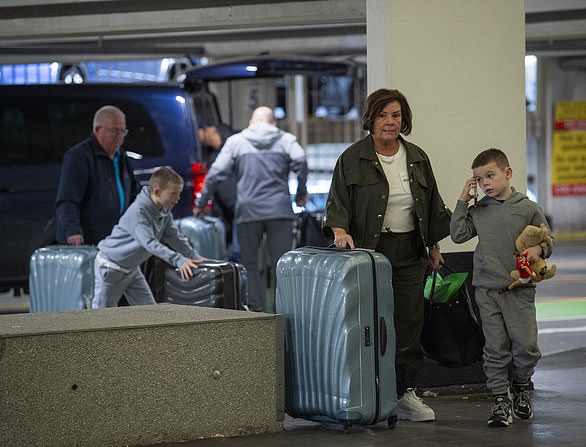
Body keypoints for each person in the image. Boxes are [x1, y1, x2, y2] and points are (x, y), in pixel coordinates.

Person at [324, 88, 451, 422]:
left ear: (403, 119)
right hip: (367, 255)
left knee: (408, 323)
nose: (390, 122)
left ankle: (404, 393)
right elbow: (337, 202)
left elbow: (432, 204)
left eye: (396, 115)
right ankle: (366, 392)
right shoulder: (352, 159)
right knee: (366, 324)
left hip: (410, 252)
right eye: (382, 115)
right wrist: (339, 231)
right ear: (371, 119)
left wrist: (434, 246)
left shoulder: (418, 157)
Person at [450, 148, 554, 428]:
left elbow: (548, 240)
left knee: (527, 347)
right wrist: (463, 200)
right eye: (479, 179)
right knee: (495, 349)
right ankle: (499, 400)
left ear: (507, 173)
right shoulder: (479, 210)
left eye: (490, 176)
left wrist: (539, 247)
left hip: (519, 289)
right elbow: (458, 235)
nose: (485, 183)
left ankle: (520, 386)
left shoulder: (528, 207)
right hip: (486, 289)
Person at [194, 106, 308, 312]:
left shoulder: (237, 141)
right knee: (281, 265)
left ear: (250, 123)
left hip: (248, 212)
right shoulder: (286, 140)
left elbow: (214, 175)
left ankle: (256, 311)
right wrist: (301, 191)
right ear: (273, 123)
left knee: (250, 264)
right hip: (279, 211)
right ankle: (283, 311)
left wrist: (201, 204)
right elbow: (300, 160)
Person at [93, 167, 205, 308]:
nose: (178, 199)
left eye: (179, 194)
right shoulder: (138, 214)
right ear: (157, 192)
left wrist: (194, 256)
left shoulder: (163, 211)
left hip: (131, 269)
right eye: (174, 194)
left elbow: (174, 237)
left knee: (150, 311)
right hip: (111, 268)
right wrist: (178, 260)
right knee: (101, 317)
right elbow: (150, 243)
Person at [56, 105, 141, 246]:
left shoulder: (122, 158)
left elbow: (134, 193)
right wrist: (73, 231)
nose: (119, 137)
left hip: (115, 240)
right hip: (89, 241)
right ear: (97, 130)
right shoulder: (79, 156)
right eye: (114, 131)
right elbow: (68, 199)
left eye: (122, 131)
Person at [198, 123, 239, 260]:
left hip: (239, 208)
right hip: (226, 212)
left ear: (209, 130)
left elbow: (213, 178)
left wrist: (200, 204)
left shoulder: (233, 145)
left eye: (198, 131)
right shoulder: (208, 154)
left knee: (239, 252)